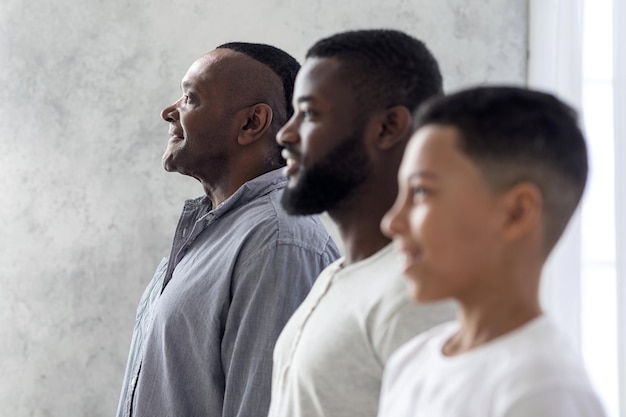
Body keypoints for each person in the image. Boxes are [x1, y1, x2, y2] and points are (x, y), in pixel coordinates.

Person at [116, 42, 340, 417]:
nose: (168, 112)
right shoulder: (211, 235)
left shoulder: (279, 242)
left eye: (190, 98)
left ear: (252, 123)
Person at [378, 86, 606, 416]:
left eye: (421, 192)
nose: (392, 221)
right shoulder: (411, 361)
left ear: (516, 213)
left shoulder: (543, 391)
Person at [268, 29, 456, 417]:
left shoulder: (419, 297)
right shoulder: (337, 276)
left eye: (311, 114)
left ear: (388, 128)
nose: (286, 133)